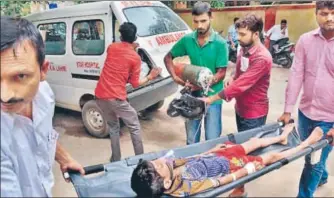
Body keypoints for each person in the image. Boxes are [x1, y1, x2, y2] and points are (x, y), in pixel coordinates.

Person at [1, 16, 85, 197]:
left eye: (20, 76)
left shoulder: (44, 94)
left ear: (43, 70)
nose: (5, 96)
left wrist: (64, 158)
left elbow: (45, 133)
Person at [131, 125, 325, 197]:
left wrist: (211, 150)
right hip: (229, 166)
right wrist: (245, 171)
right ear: (165, 182)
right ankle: (305, 144)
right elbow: (219, 182)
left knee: (252, 142)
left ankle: (280, 138)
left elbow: (187, 159)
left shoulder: (168, 171)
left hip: (216, 157)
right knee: (270, 157)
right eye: (157, 165)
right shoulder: (187, 187)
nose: (159, 160)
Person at [200, 14, 272, 197]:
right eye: (238, 34)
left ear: (256, 34)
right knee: (243, 147)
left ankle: (240, 189)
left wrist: (212, 98)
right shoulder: (243, 49)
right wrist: (231, 77)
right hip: (241, 108)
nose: (237, 38)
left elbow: (242, 84)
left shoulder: (263, 58)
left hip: (254, 112)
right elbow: (239, 73)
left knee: (246, 152)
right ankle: (241, 185)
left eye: (242, 34)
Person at [277, 2, 334, 197]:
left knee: (313, 162)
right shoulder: (305, 40)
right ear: (316, 13)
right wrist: (287, 109)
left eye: (333, 14)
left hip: (329, 118)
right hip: (305, 112)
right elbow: (296, 75)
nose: (329, 18)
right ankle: (323, 174)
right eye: (324, 13)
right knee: (311, 154)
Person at [94, 22, 161, 162]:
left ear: (121, 35)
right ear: (135, 37)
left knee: (113, 127)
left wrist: (131, 47)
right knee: (134, 126)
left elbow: (120, 55)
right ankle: (141, 161)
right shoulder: (135, 58)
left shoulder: (111, 48)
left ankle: (115, 160)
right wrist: (150, 76)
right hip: (116, 98)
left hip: (100, 95)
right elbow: (135, 83)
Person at [164, 2, 229, 145]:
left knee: (212, 140)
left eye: (203, 21)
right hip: (192, 97)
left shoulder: (220, 43)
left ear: (211, 17)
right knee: (191, 140)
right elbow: (168, 57)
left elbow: (222, 72)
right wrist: (175, 78)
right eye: (196, 21)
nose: (199, 25)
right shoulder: (188, 40)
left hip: (213, 97)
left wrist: (203, 84)